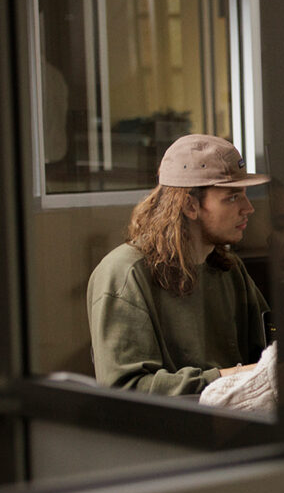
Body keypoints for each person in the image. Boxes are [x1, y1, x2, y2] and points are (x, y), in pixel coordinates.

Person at [87, 134, 271, 396]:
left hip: (234, 420)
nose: (248, 208)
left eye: (245, 194)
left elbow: (267, 352)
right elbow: (126, 388)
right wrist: (235, 376)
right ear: (189, 205)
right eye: (232, 197)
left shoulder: (230, 268)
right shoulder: (124, 274)